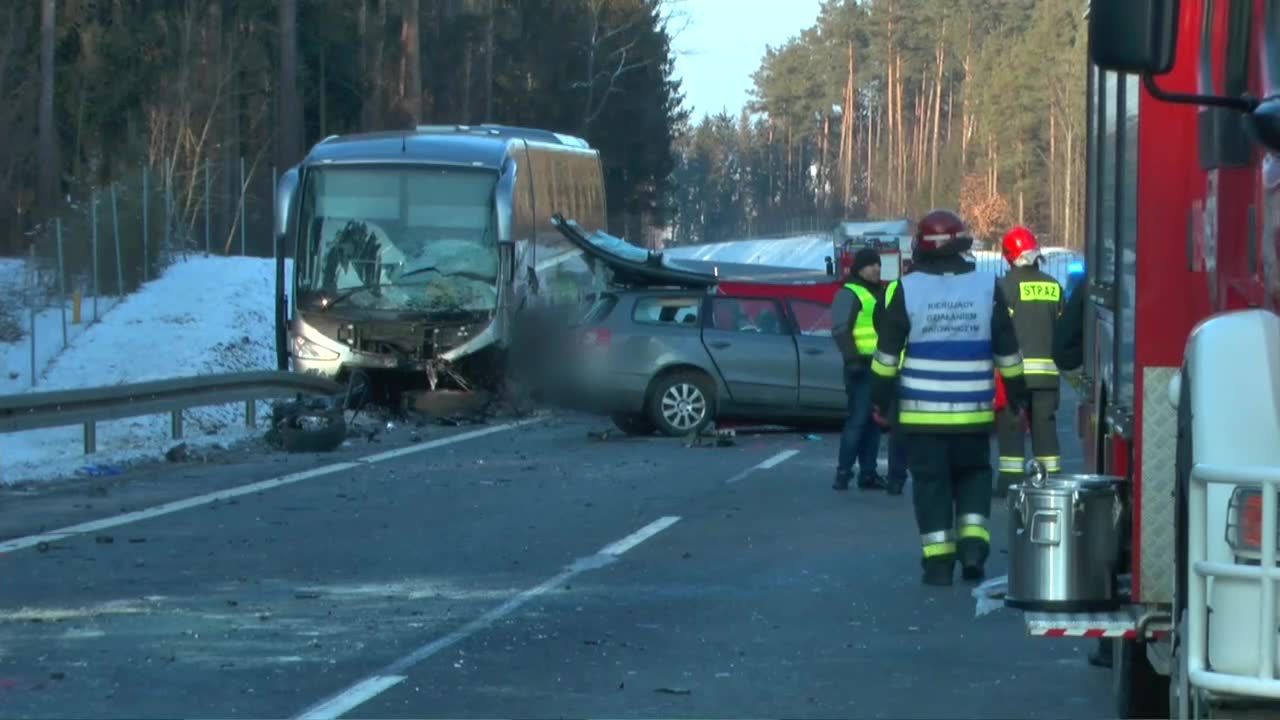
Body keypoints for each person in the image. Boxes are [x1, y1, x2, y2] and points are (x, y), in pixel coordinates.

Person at [870, 209, 1029, 586]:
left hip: (923, 417)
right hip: (973, 413)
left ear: (921, 248)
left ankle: (939, 565)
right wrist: (1018, 394)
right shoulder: (987, 288)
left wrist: (880, 401)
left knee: (931, 486)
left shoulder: (907, 289)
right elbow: (1008, 353)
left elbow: (886, 357)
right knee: (974, 477)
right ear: (961, 245)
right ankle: (973, 549)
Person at [994, 227, 1066, 497]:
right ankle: (1051, 484)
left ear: (1010, 256)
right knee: (1045, 429)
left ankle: (1010, 485)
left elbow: (999, 329)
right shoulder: (1053, 287)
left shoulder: (1005, 287)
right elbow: (1064, 328)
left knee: (1012, 427)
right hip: (1047, 376)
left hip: (1015, 375)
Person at [830, 248, 889, 491]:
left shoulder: (880, 292)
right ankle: (843, 473)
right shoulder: (850, 292)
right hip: (861, 366)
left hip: (879, 367)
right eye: (870, 265)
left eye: (878, 264)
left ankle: (868, 473)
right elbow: (841, 329)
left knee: (874, 422)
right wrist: (852, 359)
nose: (876, 269)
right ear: (859, 268)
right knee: (858, 420)